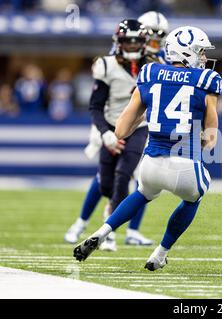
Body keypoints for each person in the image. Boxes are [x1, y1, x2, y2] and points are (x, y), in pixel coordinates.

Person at [73, 25, 222, 271]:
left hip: (151, 163)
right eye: (200, 51)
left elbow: (121, 128)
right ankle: (159, 254)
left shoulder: (150, 72)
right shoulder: (207, 80)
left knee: (142, 193)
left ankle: (102, 231)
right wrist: (205, 140)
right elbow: (210, 133)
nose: (204, 57)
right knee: (194, 198)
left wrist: (140, 123)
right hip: (184, 164)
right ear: (186, 52)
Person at [64, 13, 171, 248]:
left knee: (132, 176)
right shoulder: (107, 63)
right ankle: (81, 223)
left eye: (158, 36)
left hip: (139, 125)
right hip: (110, 122)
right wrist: (104, 132)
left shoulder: (157, 65)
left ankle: (115, 230)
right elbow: (96, 104)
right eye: (152, 35)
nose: (154, 40)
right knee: (105, 180)